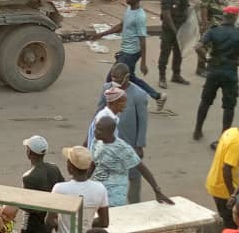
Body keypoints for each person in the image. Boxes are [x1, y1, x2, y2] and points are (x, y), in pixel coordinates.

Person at [93, 0, 166, 109]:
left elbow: (143, 40)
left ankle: (107, 105)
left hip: (131, 53)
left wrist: (143, 62)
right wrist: (101, 34)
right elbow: (121, 26)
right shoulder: (129, 9)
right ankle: (158, 96)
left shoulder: (139, 16)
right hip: (126, 51)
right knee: (130, 77)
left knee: (111, 78)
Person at [194, 7, 239, 140]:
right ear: (235, 17)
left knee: (205, 101)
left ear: (223, 16)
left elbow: (198, 47)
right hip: (230, 72)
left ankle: (197, 130)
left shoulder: (214, 31)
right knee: (229, 107)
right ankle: (224, 136)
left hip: (214, 71)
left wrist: (205, 59)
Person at [95, 63, 149, 203]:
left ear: (127, 77)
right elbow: (98, 112)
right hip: (108, 142)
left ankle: (134, 204)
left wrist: (139, 145)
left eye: (118, 78)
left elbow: (142, 122)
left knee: (134, 175)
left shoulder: (139, 95)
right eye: (113, 77)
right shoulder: (107, 89)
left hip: (129, 141)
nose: (115, 81)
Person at [90, 116, 174, 207]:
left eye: (99, 130)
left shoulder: (122, 148)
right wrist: (80, 183)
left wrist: (157, 191)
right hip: (97, 193)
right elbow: (93, 164)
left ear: (109, 132)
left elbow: (142, 168)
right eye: (96, 128)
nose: (95, 131)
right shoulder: (97, 142)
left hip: (114, 197)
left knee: (109, 220)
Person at [48, 146, 109, 233]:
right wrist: (86, 224)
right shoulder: (100, 188)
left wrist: (59, 226)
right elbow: (104, 222)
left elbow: (49, 221)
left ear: (70, 167)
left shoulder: (59, 188)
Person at [21, 135, 64, 233]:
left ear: (29, 152)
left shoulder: (28, 177)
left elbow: (28, 206)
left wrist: (14, 200)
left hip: (32, 225)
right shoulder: (54, 168)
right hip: (49, 223)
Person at [159, 0, 192, 88]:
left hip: (180, 29)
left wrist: (187, 27)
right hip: (169, 30)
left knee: (178, 54)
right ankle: (162, 77)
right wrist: (175, 31)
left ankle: (176, 75)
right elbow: (167, 16)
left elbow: (187, 9)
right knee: (165, 54)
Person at [198, 0, 232, 76]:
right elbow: (204, 7)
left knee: (217, 45)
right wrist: (204, 24)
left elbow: (224, 3)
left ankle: (211, 66)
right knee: (205, 45)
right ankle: (201, 68)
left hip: (222, 20)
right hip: (211, 20)